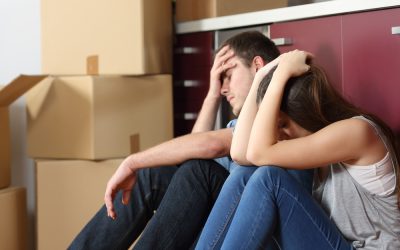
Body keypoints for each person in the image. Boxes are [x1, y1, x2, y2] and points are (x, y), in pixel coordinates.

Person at [69, 31, 289, 249]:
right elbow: (193, 157)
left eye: (228, 76)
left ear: (258, 66)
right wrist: (212, 94)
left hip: (253, 230)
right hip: (226, 217)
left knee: (198, 171)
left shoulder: (276, 114)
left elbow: (212, 146)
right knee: (153, 176)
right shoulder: (244, 121)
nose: (223, 88)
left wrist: (132, 161)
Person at [195, 50, 400, 250]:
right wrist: (261, 78)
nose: (277, 136)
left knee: (269, 178)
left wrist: (281, 76)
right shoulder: (312, 143)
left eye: (282, 125)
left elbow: (257, 153)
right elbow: (241, 154)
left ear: (307, 111)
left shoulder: (358, 132)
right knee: (245, 173)